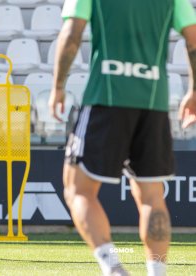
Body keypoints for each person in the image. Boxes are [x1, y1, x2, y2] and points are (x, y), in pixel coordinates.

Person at [48, 0, 196, 275]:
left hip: (106, 98)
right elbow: (194, 40)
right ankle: (157, 272)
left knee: (77, 188)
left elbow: (71, 34)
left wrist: (58, 86)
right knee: (152, 196)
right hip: (154, 103)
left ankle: (113, 266)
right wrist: (194, 90)